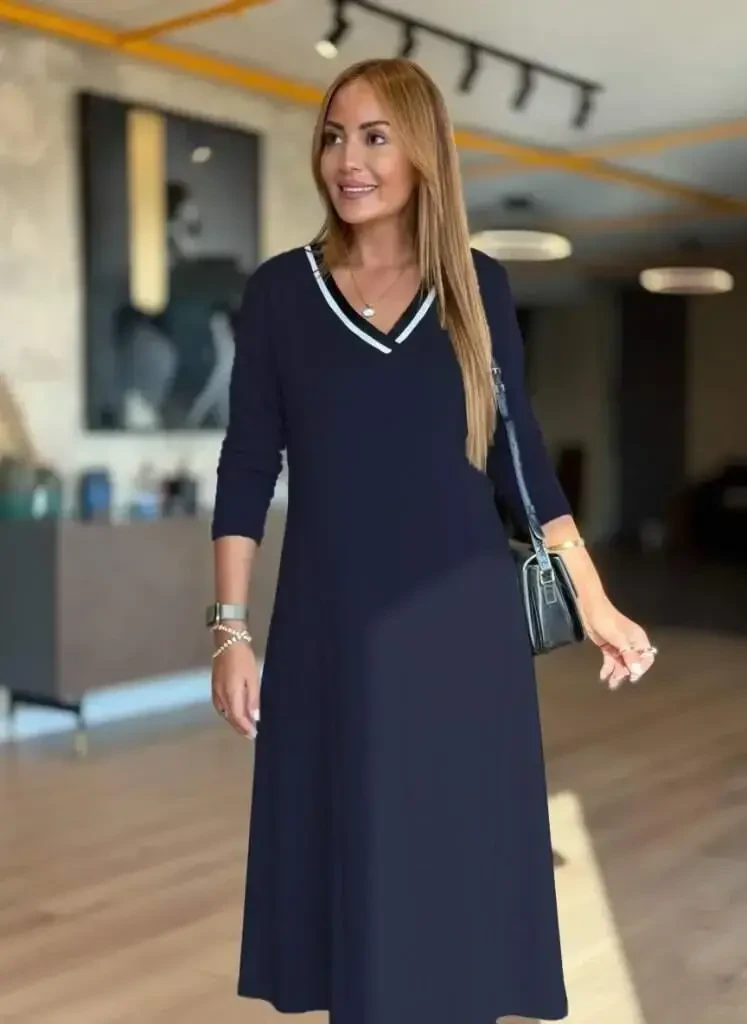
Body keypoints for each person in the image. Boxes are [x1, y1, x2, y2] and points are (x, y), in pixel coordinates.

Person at [209, 58, 657, 1024]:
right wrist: (229, 629)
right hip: (332, 633)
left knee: (454, 882)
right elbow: (246, 464)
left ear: (422, 152)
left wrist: (595, 600)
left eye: (376, 137)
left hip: (463, 634)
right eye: (335, 136)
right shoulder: (282, 293)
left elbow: (519, 462)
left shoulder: (475, 288)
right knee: (356, 880)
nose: (349, 159)